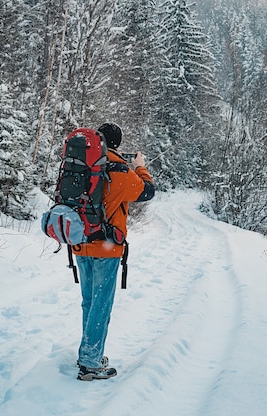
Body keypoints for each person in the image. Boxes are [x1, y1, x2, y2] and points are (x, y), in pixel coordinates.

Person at [72, 122, 154, 381]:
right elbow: (146, 191)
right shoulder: (120, 169)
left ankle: (89, 352)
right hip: (106, 249)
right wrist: (140, 165)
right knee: (101, 305)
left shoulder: (82, 163)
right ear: (117, 144)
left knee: (89, 302)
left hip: (80, 243)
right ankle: (90, 362)